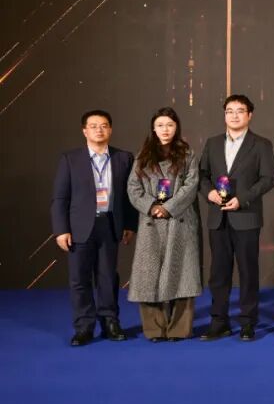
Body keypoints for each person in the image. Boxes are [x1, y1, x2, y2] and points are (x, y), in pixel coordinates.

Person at [51, 110, 137, 346]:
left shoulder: (123, 158)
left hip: (110, 223)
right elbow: (60, 198)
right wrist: (61, 229)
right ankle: (84, 327)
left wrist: (130, 224)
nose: (99, 130)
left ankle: (110, 322)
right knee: (79, 279)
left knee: (108, 277)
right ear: (84, 131)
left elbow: (129, 196)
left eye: (104, 125)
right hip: (79, 227)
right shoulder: (70, 159)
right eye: (93, 126)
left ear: (110, 129)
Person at [197, 94, 274, 342]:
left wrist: (242, 199)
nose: (234, 115)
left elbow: (268, 179)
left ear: (249, 115)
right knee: (218, 273)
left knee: (248, 272)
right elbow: (202, 175)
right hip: (218, 217)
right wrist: (209, 193)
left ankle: (247, 322)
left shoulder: (261, 144)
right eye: (229, 111)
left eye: (240, 111)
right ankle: (219, 321)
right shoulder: (212, 143)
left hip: (246, 216)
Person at [126, 107, 202, 342]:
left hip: (180, 221)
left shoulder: (187, 154)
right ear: (153, 128)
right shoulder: (143, 156)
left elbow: (191, 185)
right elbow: (133, 188)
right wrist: (151, 206)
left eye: (169, 125)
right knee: (147, 276)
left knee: (183, 275)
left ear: (176, 127)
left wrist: (168, 207)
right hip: (151, 222)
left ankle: (179, 329)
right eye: (160, 125)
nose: (165, 130)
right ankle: (154, 329)